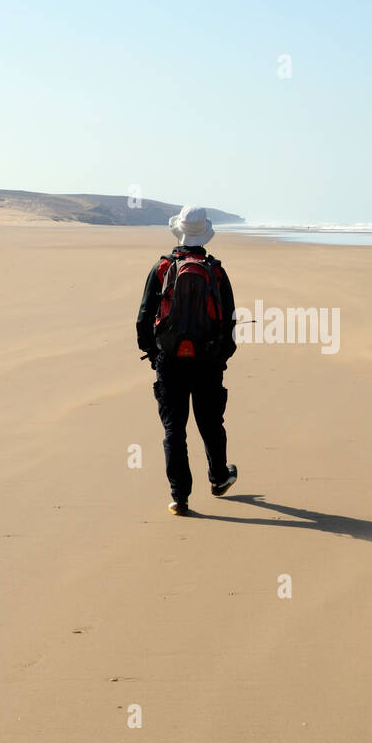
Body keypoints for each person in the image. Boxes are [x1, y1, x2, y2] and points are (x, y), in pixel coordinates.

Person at [136, 205, 238, 515]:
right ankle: (219, 477)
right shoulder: (216, 271)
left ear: (179, 230)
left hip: (170, 360)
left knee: (173, 430)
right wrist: (220, 358)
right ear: (204, 232)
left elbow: (143, 319)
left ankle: (179, 497)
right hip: (206, 360)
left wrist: (156, 356)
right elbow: (229, 322)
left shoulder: (163, 267)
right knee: (210, 423)